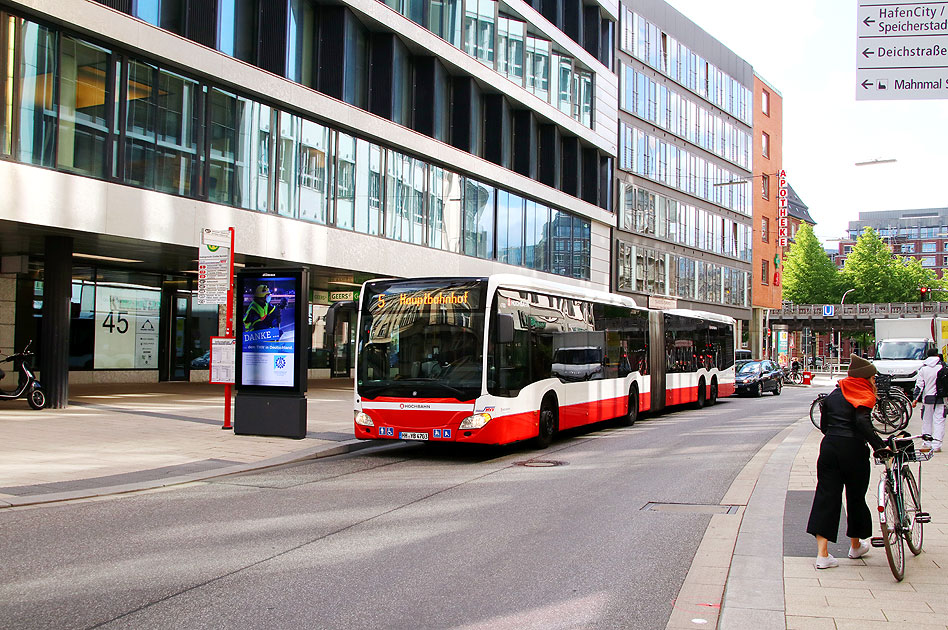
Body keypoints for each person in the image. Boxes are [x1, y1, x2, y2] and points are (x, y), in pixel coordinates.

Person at [806, 354, 887, 569]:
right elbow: (862, 421)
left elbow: (823, 427)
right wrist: (879, 446)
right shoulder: (863, 393)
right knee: (856, 497)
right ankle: (855, 545)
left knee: (826, 497)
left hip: (829, 448)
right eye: (872, 378)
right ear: (866, 378)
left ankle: (822, 555)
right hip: (853, 450)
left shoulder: (833, 395)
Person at [912, 348, 945, 452]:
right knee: (939, 420)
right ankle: (937, 444)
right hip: (941, 398)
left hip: (928, 398)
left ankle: (927, 443)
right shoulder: (943, 367)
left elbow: (919, 386)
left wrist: (915, 399)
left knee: (927, 420)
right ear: (937, 356)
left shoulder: (923, 369)